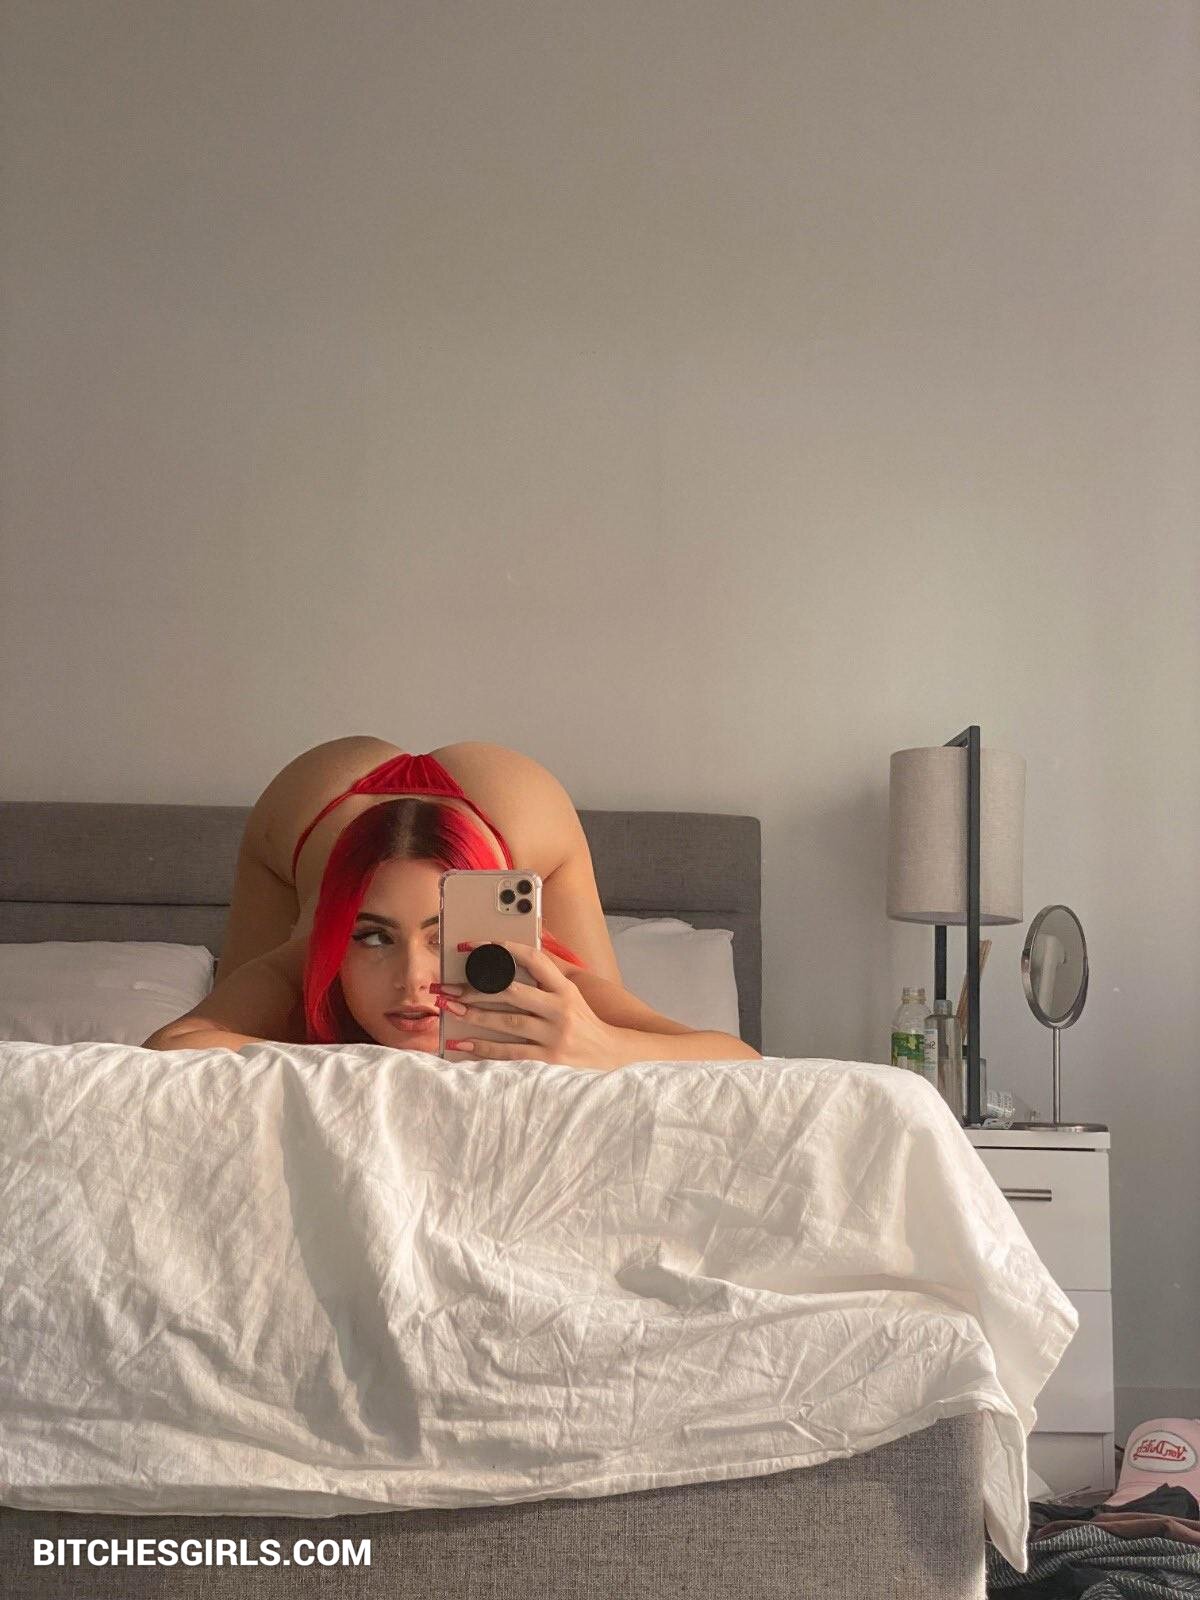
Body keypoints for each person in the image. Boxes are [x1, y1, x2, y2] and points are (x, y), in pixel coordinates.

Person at [142, 736, 760, 1070]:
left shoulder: (533, 968)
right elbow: (172, 1051)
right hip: (312, 806)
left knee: (585, 1051)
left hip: (513, 808)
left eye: (444, 937)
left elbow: (738, 1059)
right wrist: (332, 1062)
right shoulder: (303, 963)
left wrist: (606, 1045)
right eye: (373, 937)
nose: (413, 980)